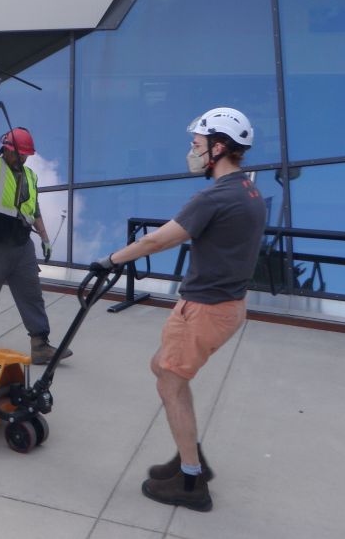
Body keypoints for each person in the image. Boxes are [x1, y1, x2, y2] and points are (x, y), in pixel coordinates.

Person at [89, 107, 265, 512]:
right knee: (163, 368)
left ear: (219, 148)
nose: (192, 151)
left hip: (204, 310)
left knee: (169, 381)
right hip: (227, 306)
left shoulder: (216, 196)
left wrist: (111, 260)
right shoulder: (248, 190)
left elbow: (157, 241)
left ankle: (190, 483)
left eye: (197, 145)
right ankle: (192, 459)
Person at [0, 127, 71, 365]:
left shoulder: (31, 176)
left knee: (32, 293)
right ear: (7, 150)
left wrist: (44, 238)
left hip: (23, 245)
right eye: (19, 154)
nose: (23, 158)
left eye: (26, 155)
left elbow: (34, 210)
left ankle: (40, 345)